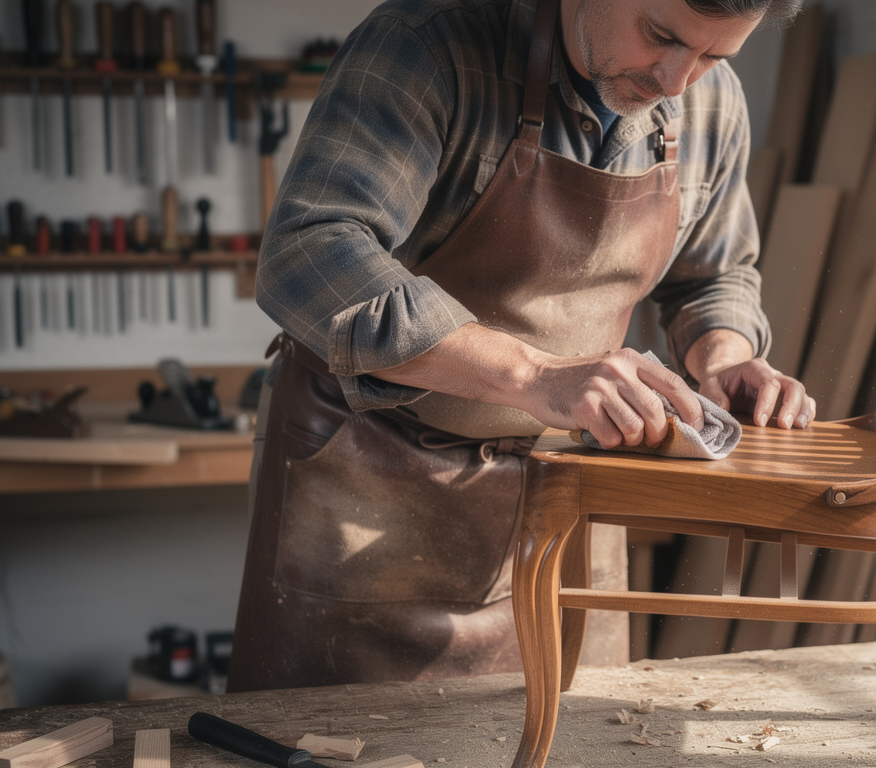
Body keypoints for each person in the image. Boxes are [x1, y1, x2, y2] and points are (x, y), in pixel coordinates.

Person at [228, 0, 812, 692]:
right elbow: (308, 251)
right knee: (338, 736)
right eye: (659, 35)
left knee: (587, 732)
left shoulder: (712, 104)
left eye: (714, 56)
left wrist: (724, 355)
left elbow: (713, 276)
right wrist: (533, 375)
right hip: (370, 486)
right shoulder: (429, 45)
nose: (676, 80)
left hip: (564, 500)